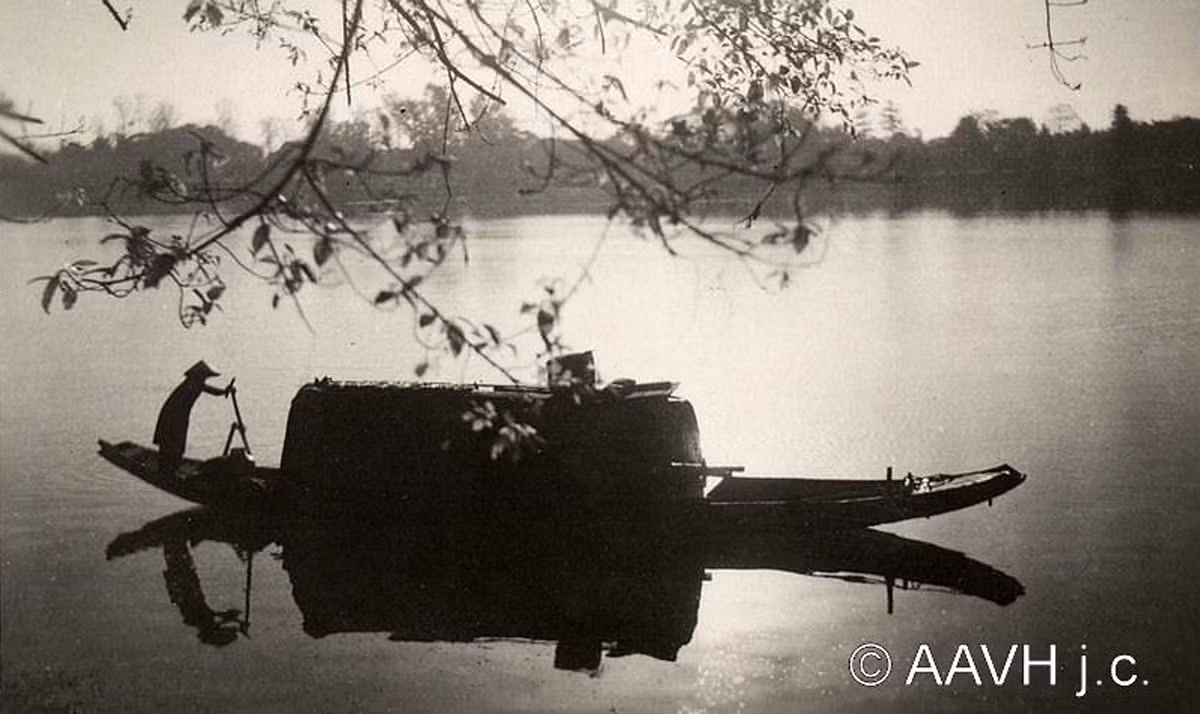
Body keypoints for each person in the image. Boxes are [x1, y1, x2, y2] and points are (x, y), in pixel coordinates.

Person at [154, 361, 229, 477]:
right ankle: (165, 470)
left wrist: (225, 391)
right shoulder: (191, 385)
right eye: (203, 376)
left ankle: (170, 468)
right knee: (170, 443)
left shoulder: (196, 384)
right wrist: (224, 391)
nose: (204, 379)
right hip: (172, 417)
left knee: (176, 444)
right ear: (197, 375)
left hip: (180, 417)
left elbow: (211, 390)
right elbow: (209, 390)